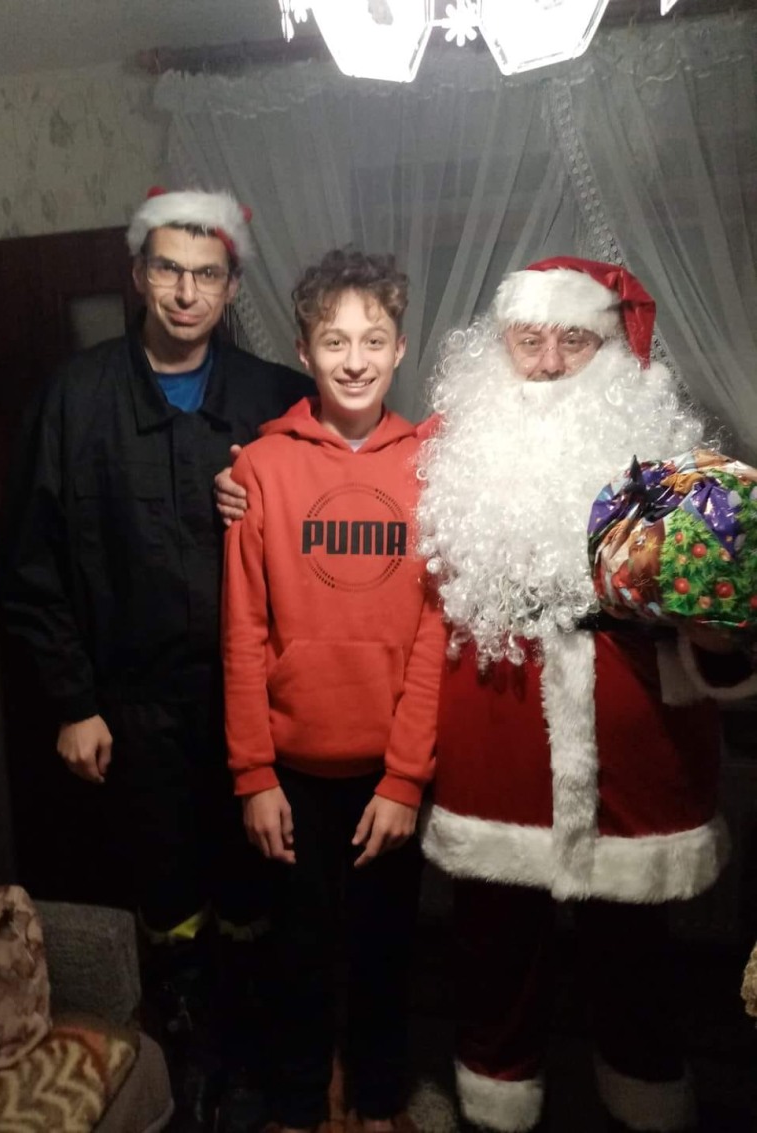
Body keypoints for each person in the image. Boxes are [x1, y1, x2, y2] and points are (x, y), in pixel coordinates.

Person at [415, 257, 757, 1133]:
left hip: (633, 738)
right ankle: (495, 1097)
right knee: (493, 940)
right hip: (498, 731)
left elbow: (720, 616)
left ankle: (644, 1094)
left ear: (612, 348)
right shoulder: (450, 445)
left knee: (635, 947)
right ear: (499, 347)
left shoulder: (674, 466)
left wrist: (721, 648)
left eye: (574, 339)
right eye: (529, 340)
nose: (549, 363)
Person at [1, 185, 313, 1130]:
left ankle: (260, 1059)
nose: (186, 292)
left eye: (206, 275)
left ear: (231, 288)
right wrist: (72, 700)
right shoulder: (76, 396)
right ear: (139, 275)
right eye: (169, 270)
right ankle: (191, 1063)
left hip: (257, 700)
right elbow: (32, 561)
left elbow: (331, 542)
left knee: (260, 884)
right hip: (132, 705)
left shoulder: (274, 396)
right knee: (167, 889)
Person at [221, 250, 446, 1133]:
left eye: (374, 339)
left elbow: (434, 634)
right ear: (305, 351)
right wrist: (253, 773)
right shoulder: (261, 466)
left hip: (388, 774)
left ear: (400, 349)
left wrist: (406, 778)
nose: (355, 359)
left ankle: (380, 1100)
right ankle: (298, 1102)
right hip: (290, 772)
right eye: (335, 340)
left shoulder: (435, 467)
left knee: (387, 952)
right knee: (297, 955)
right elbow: (242, 629)